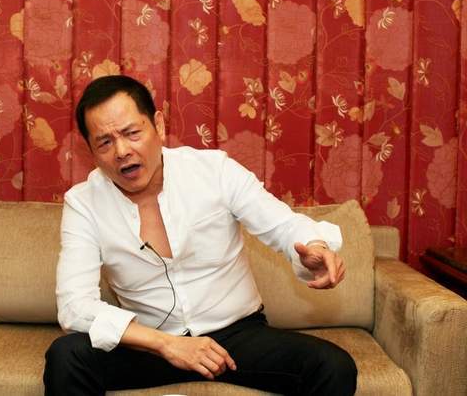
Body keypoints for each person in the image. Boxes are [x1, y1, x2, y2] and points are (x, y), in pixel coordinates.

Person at [43, 75, 357, 396]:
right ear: (91, 151)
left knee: (333, 366)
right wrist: (165, 344)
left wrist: (314, 246)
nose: (122, 151)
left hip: (237, 337)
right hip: (150, 345)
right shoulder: (83, 203)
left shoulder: (213, 170)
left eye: (131, 133)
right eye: (105, 142)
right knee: (67, 355)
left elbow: (283, 224)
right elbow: (74, 306)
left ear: (158, 125)